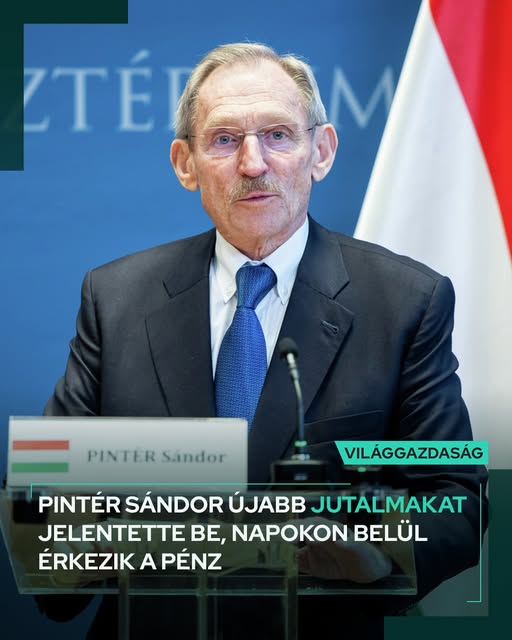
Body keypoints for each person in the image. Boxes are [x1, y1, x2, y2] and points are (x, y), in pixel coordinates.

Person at [39, 42, 486, 639]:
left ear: (320, 151)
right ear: (185, 163)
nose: (253, 163)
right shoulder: (114, 298)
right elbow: (51, 491)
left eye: (278, 135)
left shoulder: (405, 301)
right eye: (225, 140)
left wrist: (379, 554)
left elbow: (453, 493)